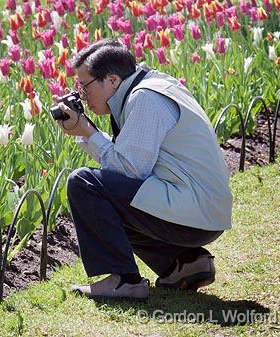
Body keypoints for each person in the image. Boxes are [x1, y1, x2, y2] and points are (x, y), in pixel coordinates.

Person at [53, 38, 232, 300]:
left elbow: (129, 171)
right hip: (202, 209)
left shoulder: (145, 98)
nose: (82, 95)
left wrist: (88, 132)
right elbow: (131, 172)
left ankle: (124, 280)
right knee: (112, 192)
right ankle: (185, 263)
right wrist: (88, 132)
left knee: (85, 183)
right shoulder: (153, 84)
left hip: (194, 212)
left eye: (85, 85)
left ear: (113, 80)